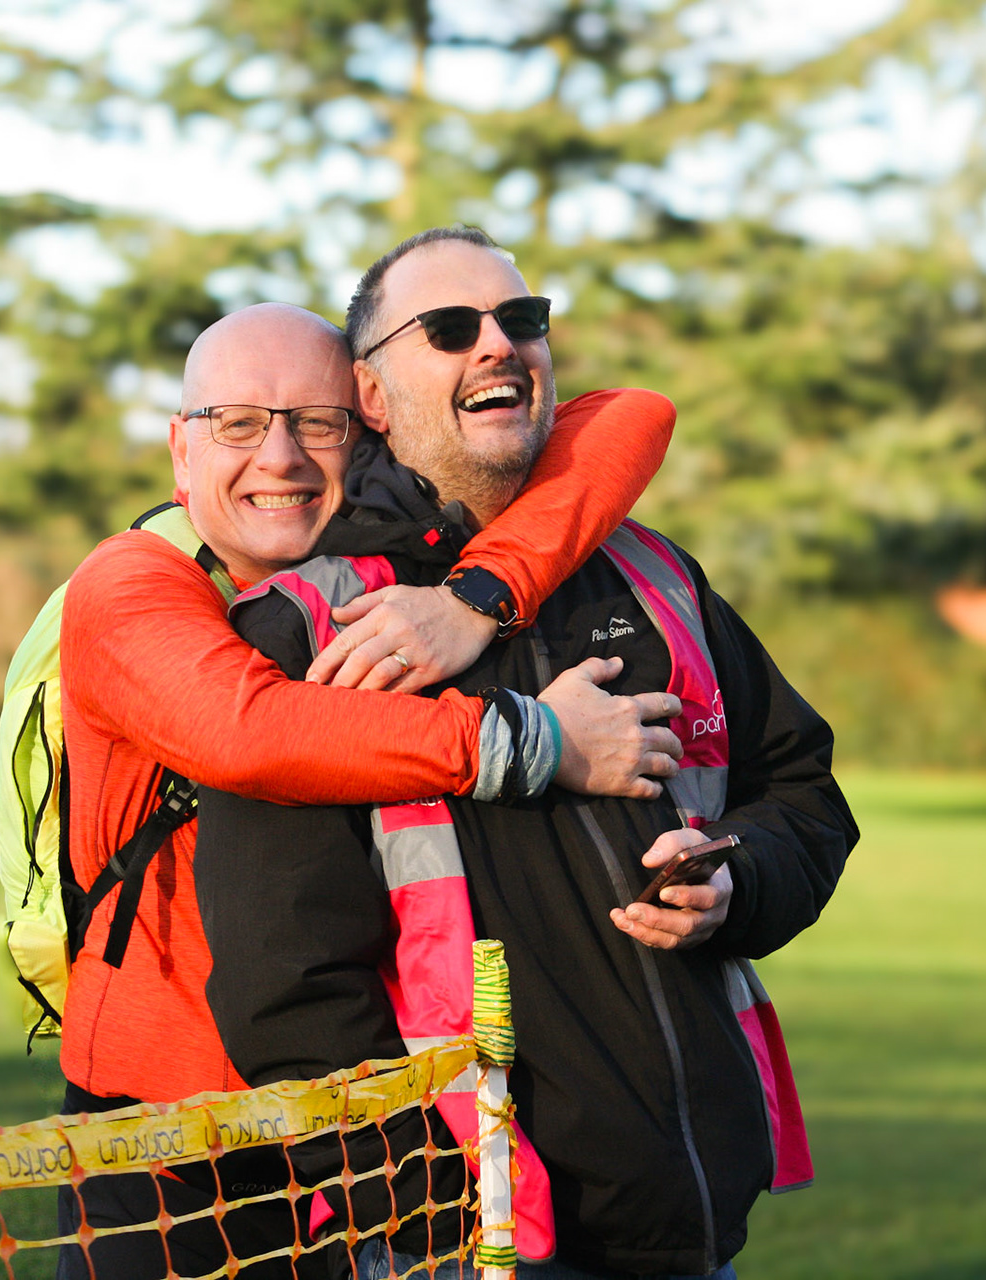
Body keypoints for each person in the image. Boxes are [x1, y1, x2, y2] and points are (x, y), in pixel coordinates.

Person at [197, 227, 857, 1278]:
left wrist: (739, 875)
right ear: (371, 394)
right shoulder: (309, 626)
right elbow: (287, 984)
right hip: (468, 1245)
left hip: (691, 1230)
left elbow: (804, 791)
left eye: (523, 320)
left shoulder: (654, 573)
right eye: (451, 329)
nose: (498, 345)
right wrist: (434, 1212)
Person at [52, 302, 684, 1279]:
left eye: (318, 420)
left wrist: (481, 597)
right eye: (238, 423)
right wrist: (535, 738)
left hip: (339, 1128)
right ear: (181, 451)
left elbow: (630, 415)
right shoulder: (128, 581)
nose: (282, 455)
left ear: (370, 432)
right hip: (167, 1138)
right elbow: (248, 729)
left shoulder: (381, 589)